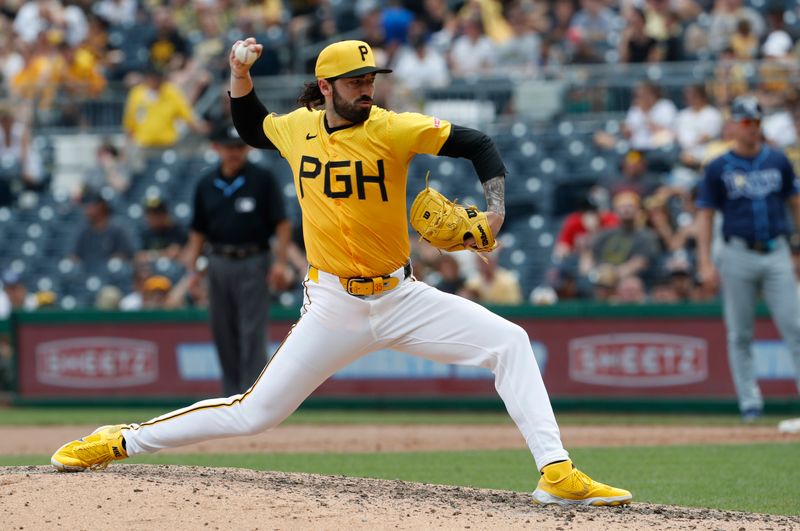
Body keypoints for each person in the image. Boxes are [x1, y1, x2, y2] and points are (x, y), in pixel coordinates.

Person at [50, 38, 631, 507]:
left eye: (370, 80)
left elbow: (478, 143)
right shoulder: (298, 128)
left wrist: (496, 210)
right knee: (254, 414)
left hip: (401, 296)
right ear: (326, 87)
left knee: (511, 342)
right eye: (355, 82)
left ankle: (556, 472)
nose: (366, 89)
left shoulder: (393, 128)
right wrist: (238, 74)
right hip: (333, 305)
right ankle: (120, 440)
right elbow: (253, 127)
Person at [696, 95, 800, 422]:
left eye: (755, 122)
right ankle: (749, 403)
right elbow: (705, 215)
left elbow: (795, 204)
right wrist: (704, 261)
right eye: (745, 122)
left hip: (776, 250)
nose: (751, 128)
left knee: (795, 326)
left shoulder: (778, 160)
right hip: (737, 252)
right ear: (732, 125)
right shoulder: (717, 166)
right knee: (740, 332)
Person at [183, 121, 291, 396]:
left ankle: (253, 396)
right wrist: (192, 271)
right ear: (216, 148)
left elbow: (281, 223)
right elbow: (198, 231)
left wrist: (279, 263)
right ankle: (230, 396)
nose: (234, 153)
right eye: (229, 147)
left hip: (254, 259)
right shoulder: (206, 183)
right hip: (218, 261)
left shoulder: (262, 179)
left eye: (239, 147)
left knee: (251, 330)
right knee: (222, 330)